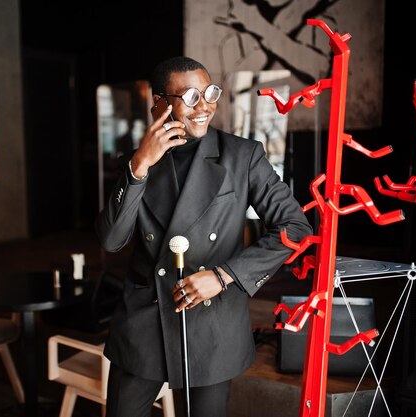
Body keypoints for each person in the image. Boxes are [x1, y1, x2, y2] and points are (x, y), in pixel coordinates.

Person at [95, 56, 312, 417]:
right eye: (191, 97)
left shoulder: (243, 156)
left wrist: (223, 276)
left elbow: (295, 227)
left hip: (211, 325)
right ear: (160, 104)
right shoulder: (136, 161)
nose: (206, 105)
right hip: (145, 323)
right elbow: (111, 240)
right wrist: (139, 167)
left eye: (210, 92)